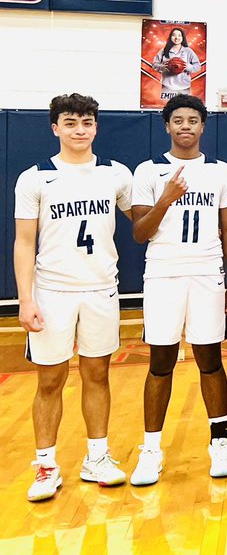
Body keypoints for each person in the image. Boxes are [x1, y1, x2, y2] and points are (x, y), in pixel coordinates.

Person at [16, 94, 133, 502]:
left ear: (96, 127)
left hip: (101, 289)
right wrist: (25, 299)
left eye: (86, 122)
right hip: (53, 292)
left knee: (98, 375)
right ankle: (46, 466)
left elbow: (144, 221)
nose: (79, 130)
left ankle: (97, 457)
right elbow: (24, 241)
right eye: (70, 123)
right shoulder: (35, 178)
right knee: (50, 380)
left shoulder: (116, 174)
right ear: (55, 128)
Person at [129, 95, 227, 487]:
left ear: (203, 126)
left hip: (207, 271)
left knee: (210, 358)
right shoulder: (148, 170)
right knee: (160, 363)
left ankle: (220, 440)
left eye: (193, 120)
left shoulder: (220, 171)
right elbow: (140, 233)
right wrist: (165, 199)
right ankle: (151, 449)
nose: (185, 127)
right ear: (167, 126)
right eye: (178, 120)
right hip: (162, 274)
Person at [151, 27, 201, 97]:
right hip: (167, 85)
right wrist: (162, 67)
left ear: (182, 37)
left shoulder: (188, 51)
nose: (176, 38)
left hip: (184, 86)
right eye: (174, 35)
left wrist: (187, 67)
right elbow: (154, 64)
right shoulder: (163, 51)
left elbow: (198, 66)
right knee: (169, 106)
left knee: (184, 106)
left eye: (179, 35)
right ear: (170, 37)